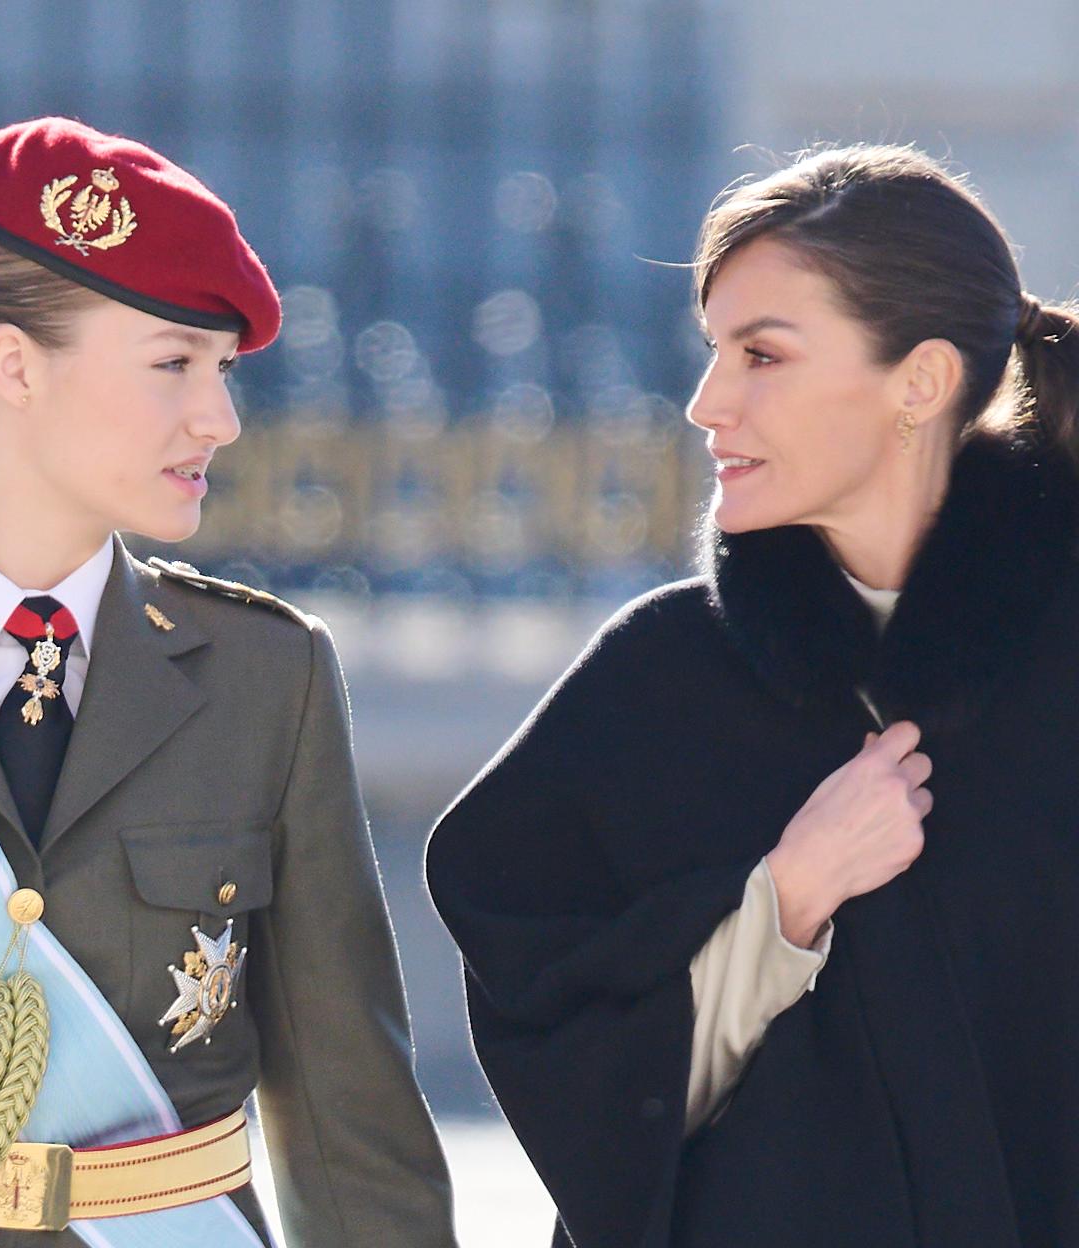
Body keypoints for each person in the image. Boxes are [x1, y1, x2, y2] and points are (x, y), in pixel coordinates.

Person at [426, 143, 1079, 1248]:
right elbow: (589, 1093)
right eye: (713, 352)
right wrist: (786, 897)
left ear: (917, 383)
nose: (704, 403)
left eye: (762, 356)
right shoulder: (653, 685)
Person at [0, 117, 457, 1248]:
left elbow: (343, 1113)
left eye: (220, 372)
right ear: (12, 364)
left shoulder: (269, 676)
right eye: (174, 363)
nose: (219, 418)